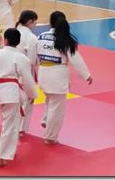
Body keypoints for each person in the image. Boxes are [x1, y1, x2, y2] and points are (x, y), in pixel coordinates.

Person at [30, 11, 92, 144]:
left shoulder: (40, 37)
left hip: (43, 73)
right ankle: (50, 137)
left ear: (50, 23)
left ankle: (46, 119)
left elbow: (33, 57)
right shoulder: (65, 40)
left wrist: (33, 71)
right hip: (57, 76)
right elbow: (76, 60)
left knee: (50, 98)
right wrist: (86, 75)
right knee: (57, 108)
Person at [0, 28, 37, 167]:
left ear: (5, 40)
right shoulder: (21, 58)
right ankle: (2, 156)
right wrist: (32, 94)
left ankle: (9, 151)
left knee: (9, 123)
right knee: (9, 125)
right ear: (18, 42)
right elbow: (27, 79)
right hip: (11, 93)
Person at [15, 10, 39, 134]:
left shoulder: (13, 31)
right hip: (24, 72)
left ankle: (14, 125)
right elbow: (32, 60)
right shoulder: (31, 38)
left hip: (10, 71)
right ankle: (21, 128)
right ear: (30, 21)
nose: (35, 25)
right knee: (27, 100)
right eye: (35, 23)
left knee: (14, 100)